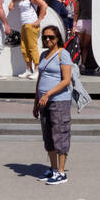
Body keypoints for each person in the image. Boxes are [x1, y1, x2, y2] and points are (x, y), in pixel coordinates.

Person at [34, 25, 73, 184]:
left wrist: (48, 94)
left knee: (60, 134)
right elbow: (40, 78)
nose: (48, 40)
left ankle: (62, 172)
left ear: (58, 39)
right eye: (45, 37)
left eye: (51, 37)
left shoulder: (62, 54)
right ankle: (53, 168)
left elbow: (66, 80)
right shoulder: (43, 54)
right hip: (43, 102)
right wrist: (36, 100)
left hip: (59, 101)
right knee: (48, 136)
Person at [10, 0, 48, 79]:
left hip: (31, 24)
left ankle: (37, 69)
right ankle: (28, 69)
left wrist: (39, 20)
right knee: (24, 48)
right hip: (24, 24)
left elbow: (44, 5)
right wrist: (13, 1)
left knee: (32, 47)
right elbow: (13, 2)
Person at [68, 0, 94, 74]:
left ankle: (81, 63)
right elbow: (76, 13)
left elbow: (76, 13)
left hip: (83, 22)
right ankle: (81, 63)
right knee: (83, 45)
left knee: (82, 45)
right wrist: (74, 26)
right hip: (88, 22)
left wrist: (74, 26)